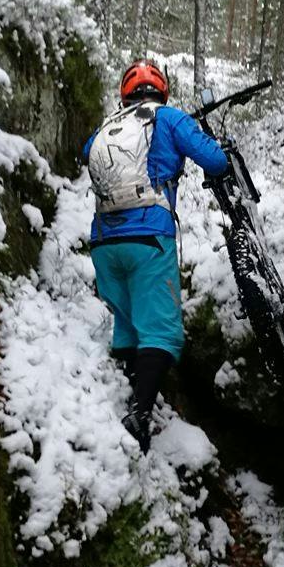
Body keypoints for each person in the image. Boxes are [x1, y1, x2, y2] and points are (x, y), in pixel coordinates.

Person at [82, 58, 228, 453]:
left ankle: (131, 397)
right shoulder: (168, 117)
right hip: (149, 237)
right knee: (161, 330)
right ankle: (140, 414)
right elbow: (214, 160)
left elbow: (86, 154)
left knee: (130, 326)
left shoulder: (106, 128)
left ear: (125, 96)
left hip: (103, 243)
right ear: (161, 91)